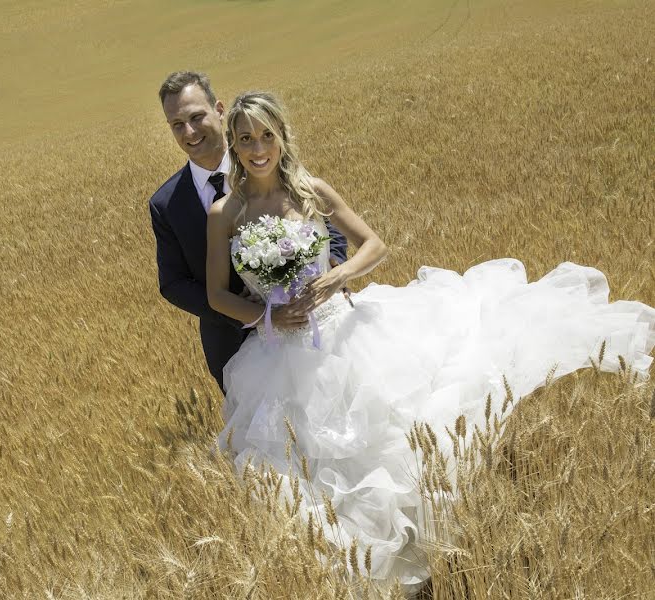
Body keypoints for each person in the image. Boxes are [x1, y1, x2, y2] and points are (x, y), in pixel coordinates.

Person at [206, 90, 655, 589]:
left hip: (343, 333)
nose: (258, 147)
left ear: (282, 136)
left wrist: (337, 277)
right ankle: (355, 571)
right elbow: (217, 295)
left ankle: (425, 550)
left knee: (383, 440)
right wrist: (270, 316)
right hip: (277, 354)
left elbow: (374, 245)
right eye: (246, 138)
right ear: (234, 144)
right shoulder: (225, 213)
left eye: (267, 134)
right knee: (308, 463)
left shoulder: (311, 190)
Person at [148, 71, 349, 393]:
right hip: (232, 342)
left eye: (197, 117)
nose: (189, 131)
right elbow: (173, 283)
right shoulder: (165, 203)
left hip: (311, 320)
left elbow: (323, 222)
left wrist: (328, 270)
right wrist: (254, 313)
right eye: (177, 124)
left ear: (219, 110)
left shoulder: (265, 159)